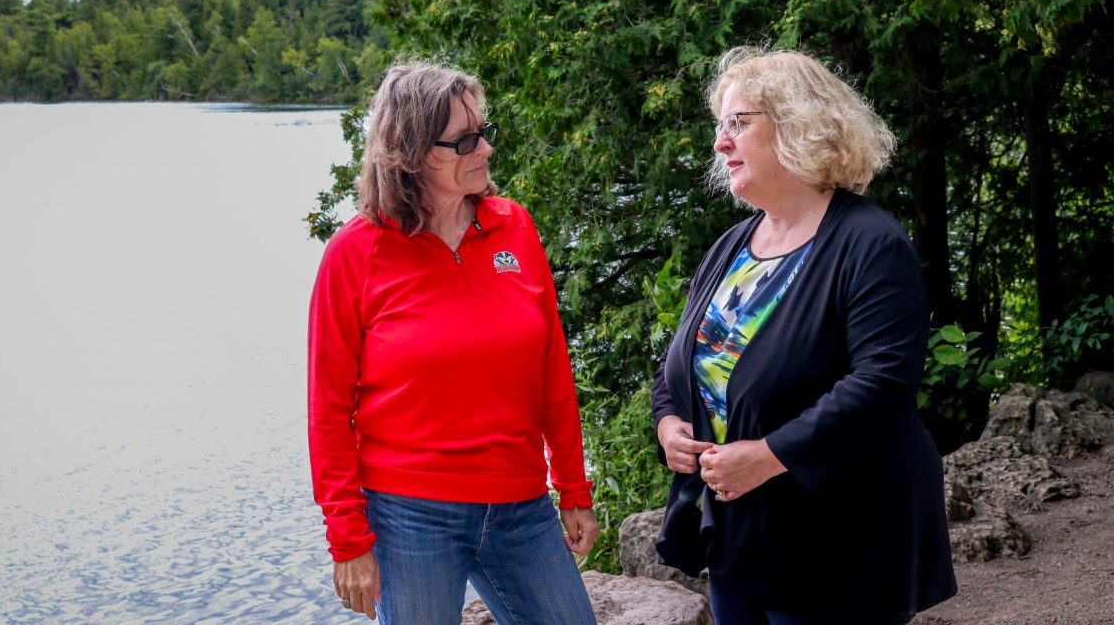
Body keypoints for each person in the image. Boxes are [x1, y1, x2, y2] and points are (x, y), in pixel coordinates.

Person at [652, 47, 957, 624]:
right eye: (720, 126)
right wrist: (668, 424)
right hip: (739, 532)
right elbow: (684, 363)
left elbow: (883, 384)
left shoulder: (870, 243)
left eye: (738, 123)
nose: (720, 142)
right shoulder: (731, 246)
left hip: (839, 535)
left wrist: (768, 457)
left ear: (797, 126)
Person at [307, 61, 599, 624]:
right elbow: (328, 410)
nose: (485, 148)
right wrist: (348, 539)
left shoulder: (514, 226)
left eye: (485, 131)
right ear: (410, 153)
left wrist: (573, 486)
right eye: (463, 140)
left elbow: (551, 372)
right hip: (409, 515)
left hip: (520, 506)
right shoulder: (356, 252)